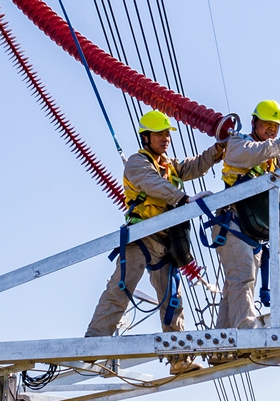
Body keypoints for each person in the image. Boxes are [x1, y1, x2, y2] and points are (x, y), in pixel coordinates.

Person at [85, 110, 224, 338]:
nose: (165, 138)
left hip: (165, 242)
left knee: (172, 300)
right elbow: (152, 184)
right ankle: (94, 341)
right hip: (142, 237)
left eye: (167, 134)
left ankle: (179, 359)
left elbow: (195, 165)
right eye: (159, 134)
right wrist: (184, 199)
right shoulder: (137, 163)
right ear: (146, 137)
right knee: (121, 287)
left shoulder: (169, 166)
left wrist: (219, 149)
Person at [213, 99, 280, 329]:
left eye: (275, 126)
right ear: (253, 122)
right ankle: (247, 333)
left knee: (234, 288)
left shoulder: (272, 155)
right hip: (233, 224)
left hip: (250, 231)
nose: (271, 130)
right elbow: (257, 152)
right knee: (242, 280)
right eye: (267, 124)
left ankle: (222, 345)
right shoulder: (238, 144)